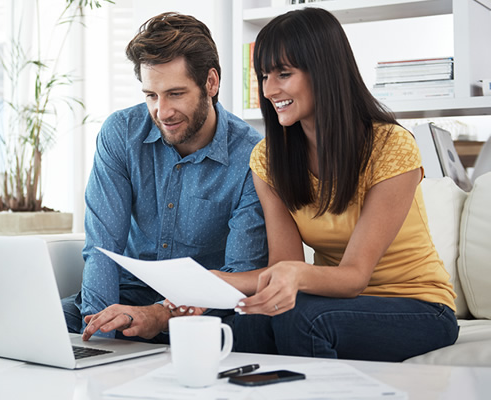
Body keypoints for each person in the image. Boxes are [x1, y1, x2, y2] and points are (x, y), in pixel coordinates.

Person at [175, 7, 458, 361]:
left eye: (284, 74)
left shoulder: (391, 145)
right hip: (336, 302)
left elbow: (354, 276)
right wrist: (213, 282)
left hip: (417, 306)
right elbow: (284, 265)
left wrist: (288, 276)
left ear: (325, 72)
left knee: (301, 320)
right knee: (244, 322)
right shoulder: (268, 159)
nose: (269, 89)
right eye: (264, 76)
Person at [61, 12, 268, 342]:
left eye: (175, 93)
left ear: (211, 83)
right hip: (124, 298)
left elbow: (238, 272)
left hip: (202, 311)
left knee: (250, 330)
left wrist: (159, 314)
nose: (162, 112)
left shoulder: (251, 156)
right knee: (41, 325)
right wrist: (99, 334)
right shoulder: (121, 134)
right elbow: (102, 248)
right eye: (151, 95)